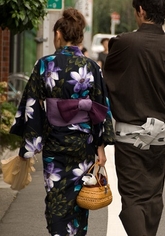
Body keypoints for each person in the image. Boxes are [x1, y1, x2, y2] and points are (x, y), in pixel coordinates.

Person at [9, 8, 114, 236]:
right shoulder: (91, 67)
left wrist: (29, 146)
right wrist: (100, 146)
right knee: (79, 201)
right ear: (80, 36)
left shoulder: (45, 64)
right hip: (82, 146)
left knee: (56, 202)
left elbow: (32, 104)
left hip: (55, 145)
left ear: (58, 34)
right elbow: (100, 108)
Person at [103, 0, 165, 235]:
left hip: (130, 136)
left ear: (141, 10)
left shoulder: (124, 43)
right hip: (161, 136)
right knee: (153, 197)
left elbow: (110, 80)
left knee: (131, 199)